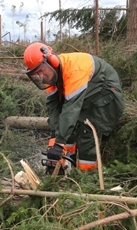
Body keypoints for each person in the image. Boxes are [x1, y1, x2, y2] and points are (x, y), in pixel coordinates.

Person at [23, 42, 125, 173]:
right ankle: (65, 165)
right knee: (66, 127)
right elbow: (54, 109)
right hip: (89, 91)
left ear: (52, 61)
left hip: (106, 92)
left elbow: (71, 109)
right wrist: (55, 140)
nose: (41, 77)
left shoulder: (73, 70)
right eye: (37, 74)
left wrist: (59, 144)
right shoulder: (53, 77)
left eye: (41, 71)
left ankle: (86, 175)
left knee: (87, 131)